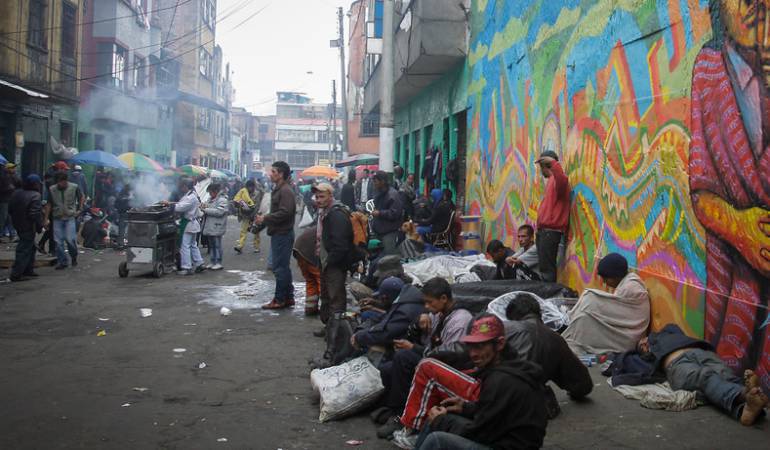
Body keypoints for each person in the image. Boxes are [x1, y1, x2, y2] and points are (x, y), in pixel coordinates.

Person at [688, 1, 770, 393]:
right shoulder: (708, 69)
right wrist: (740, 226)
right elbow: (700, 191)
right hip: (736, 278)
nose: (755, 6)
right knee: (728, 368)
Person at [393, 314, 548, 450]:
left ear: (500, 344)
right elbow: (494, 411)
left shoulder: (500, 380)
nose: (473, 354)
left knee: (437, 439)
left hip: (507, 445)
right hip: (503, 436)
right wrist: (465, 407)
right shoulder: (508, 366)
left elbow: (481, 433)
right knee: (439, 415)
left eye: (480, 346)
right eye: (471, 346)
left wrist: (441, 422)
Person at [609, 324, 768, 426]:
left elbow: (673, 327)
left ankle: (745, 409)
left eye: (644, 341)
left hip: (700, 351)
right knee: (705, 376)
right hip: (676, 365)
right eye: (641, 347)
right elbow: (622, 363)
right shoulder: (646, 359)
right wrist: (642, 351)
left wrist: (653, 339)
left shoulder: (667, 334)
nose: (643, 344)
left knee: (723, 372)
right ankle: (742, 394)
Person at [376, 278, 473, 439]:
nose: (426, 307)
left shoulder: (459, 321)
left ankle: (402, 417)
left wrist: (413, 348)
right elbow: (428, 342)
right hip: (432, 357)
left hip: (451, 369)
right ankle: (394, 408)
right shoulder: (438, 313)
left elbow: (448, 358)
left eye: (429, 302)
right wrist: (418, 321)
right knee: (387, 368)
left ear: (443, 298)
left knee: (404, 357)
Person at [505, 293, 593, 417]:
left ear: (513, 317)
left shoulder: (505, 329)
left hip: (500, 397)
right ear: (539, 313)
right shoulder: (555, 340)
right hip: (523, 402)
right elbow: (583, 384)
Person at [562, 253, 650, 355]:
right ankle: (569, 327)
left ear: (616, 276)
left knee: (589, 299)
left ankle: (568, 338)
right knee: (584, 317)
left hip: (628, 337)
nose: (604, 282)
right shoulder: (627, 283)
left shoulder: (631, 288)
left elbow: (619, 317)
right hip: (621, 330)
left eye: (606, 278)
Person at [256, 161, 297, 310]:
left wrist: (266, 218)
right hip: (280, 233)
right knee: (283, 267)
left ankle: (280, 299)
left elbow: (286, 212)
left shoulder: (285, 190)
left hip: (283, 234)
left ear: (280, 174)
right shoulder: (280, 189)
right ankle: (288, 297)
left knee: (279, 268)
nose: (270, 174)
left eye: (273, 172)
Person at [314, 182, 354, 324]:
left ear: (330, 196)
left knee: (335, 297)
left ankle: (336, 332)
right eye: (317, 197)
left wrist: (330, 261)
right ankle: (329, 327)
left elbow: (340, 245)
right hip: (326, 260)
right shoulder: (324, 212)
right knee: (326, 295)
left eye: (322, 196)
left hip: (335, 263)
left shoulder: (336, 215)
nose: (318, 200)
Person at [350, 276, 424, 351]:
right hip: (411, 339)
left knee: (371, 344)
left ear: (385, 297)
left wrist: (359, 337)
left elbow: (385, 334)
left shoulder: (404, 311)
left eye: (382, 299)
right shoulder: (407, 297)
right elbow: (388, 316)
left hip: (411, 348)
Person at [534, 150, 570, 282]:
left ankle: (548, 294)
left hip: (551, 232)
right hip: (545, 232)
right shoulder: (551, 181)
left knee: (547, 269)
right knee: (544, 267)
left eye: (541, 166)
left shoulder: (558, 179)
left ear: (545, 165)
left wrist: (553, 163)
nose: (540, 170)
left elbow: (562, 178)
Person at [8, 174, 45, 281]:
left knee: (31, 247)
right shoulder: (35, 195)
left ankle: (28, 269)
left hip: (17, 224)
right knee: (24, 249)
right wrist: (40, 226)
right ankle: (16, 274)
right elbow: (34, 214)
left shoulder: (16, 193)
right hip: (28, 226)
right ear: (35, 184)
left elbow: (10, 209)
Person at [49, 172, 84, 270]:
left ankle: (73, 256)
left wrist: (80, 209)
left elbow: (82, 196)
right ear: (58, 182)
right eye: (60, 182)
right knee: (58, 241)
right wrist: (45, 219)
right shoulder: (52, 189)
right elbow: (49, 204)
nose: (62, 184)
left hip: (70, 217)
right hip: (57, 217)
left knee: (70, 240)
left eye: (64, 182)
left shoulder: (74, 187)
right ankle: (62, 261)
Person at [171, 179, 205, 275]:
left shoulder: (191, 197)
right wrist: (172, 204)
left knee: (184, 246)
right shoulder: (192, 195)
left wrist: (171, 206)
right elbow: (181, 204)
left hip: (188, 223)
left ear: (186, 186)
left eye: (182, 186)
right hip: (192, 224)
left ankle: (187, 267)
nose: (181, 189)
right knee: (193, 245)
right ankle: (199, 263)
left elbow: (180, 207)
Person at [370, 171, 403, 256]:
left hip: (389, 232)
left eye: (375, 181)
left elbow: (395, 213)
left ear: (383, 181)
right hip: (379, 231)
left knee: (389, 258)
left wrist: (380, 213)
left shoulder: (393, 194)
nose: (374, 183)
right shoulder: (378, 192)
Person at [293, 227, 321, 316]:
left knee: (311, 279)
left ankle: (310, 308)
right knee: (321, 281)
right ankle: (327, 309)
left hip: (299, 249)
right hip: (309, 252)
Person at [202, 183, 228, 270]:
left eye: (210, 192)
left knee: (217, 245)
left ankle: (218, 262)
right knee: (212, 245)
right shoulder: (210, 199)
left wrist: (206, 210)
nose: (209, 194)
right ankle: (212, 261)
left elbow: (219, 212)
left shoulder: (222, 200)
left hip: (217, 226)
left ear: (215, 191)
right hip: (210, 225)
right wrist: (204, 206)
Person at [233, 179, 263, 254]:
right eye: (248, 187)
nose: (250, 188)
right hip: (246, 215)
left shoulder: (257, 193)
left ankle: (256, 247)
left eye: (251, 187)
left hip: (255, 214)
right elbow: (238, 201)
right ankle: (240, 246)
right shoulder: (243, 192)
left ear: (253, 187)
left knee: (256, 231)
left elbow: (257, 205)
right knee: (243, 231)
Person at [114, 184, 133, 249]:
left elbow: (115, 204)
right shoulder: (130, 196)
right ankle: (127, 243)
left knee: (121, 230)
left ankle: (121, 244)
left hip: (122, 213)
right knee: (129, 229)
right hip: (128, 213)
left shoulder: (120, 195)